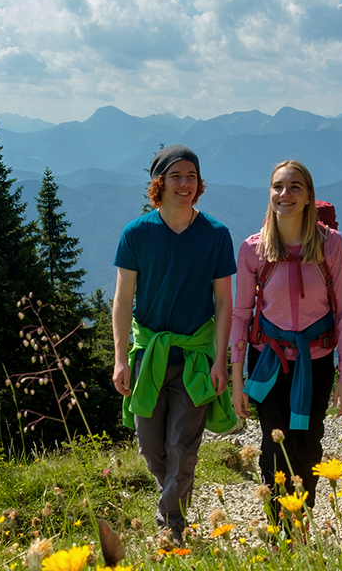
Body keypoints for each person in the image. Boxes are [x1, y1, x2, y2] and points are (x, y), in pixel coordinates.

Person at [113, 144, 238, 545]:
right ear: (159, 184)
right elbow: (122, 301)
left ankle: (171, 527)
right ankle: (174, 501)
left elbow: (223, 302)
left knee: (182, 448)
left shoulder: (216, 235)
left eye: (191, 177)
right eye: (176, 176)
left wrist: (222, 360)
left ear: (200, 184)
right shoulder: (136, 234)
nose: (185, 184)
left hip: (195, 358)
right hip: (148, 354)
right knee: (153, 450)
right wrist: (120, 359)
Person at [228, 160, 342, 515]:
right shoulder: (253, 249)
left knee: (309, 446)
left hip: (315, 362)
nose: (286, 194)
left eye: (295, 186)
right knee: (273, 448)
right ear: (269, 194)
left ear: (309, 196)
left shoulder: (331, 245)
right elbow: (241, 316)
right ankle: (280, 532)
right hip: (269, 361)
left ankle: (302, 522)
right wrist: (237, 380)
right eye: (279, 187)